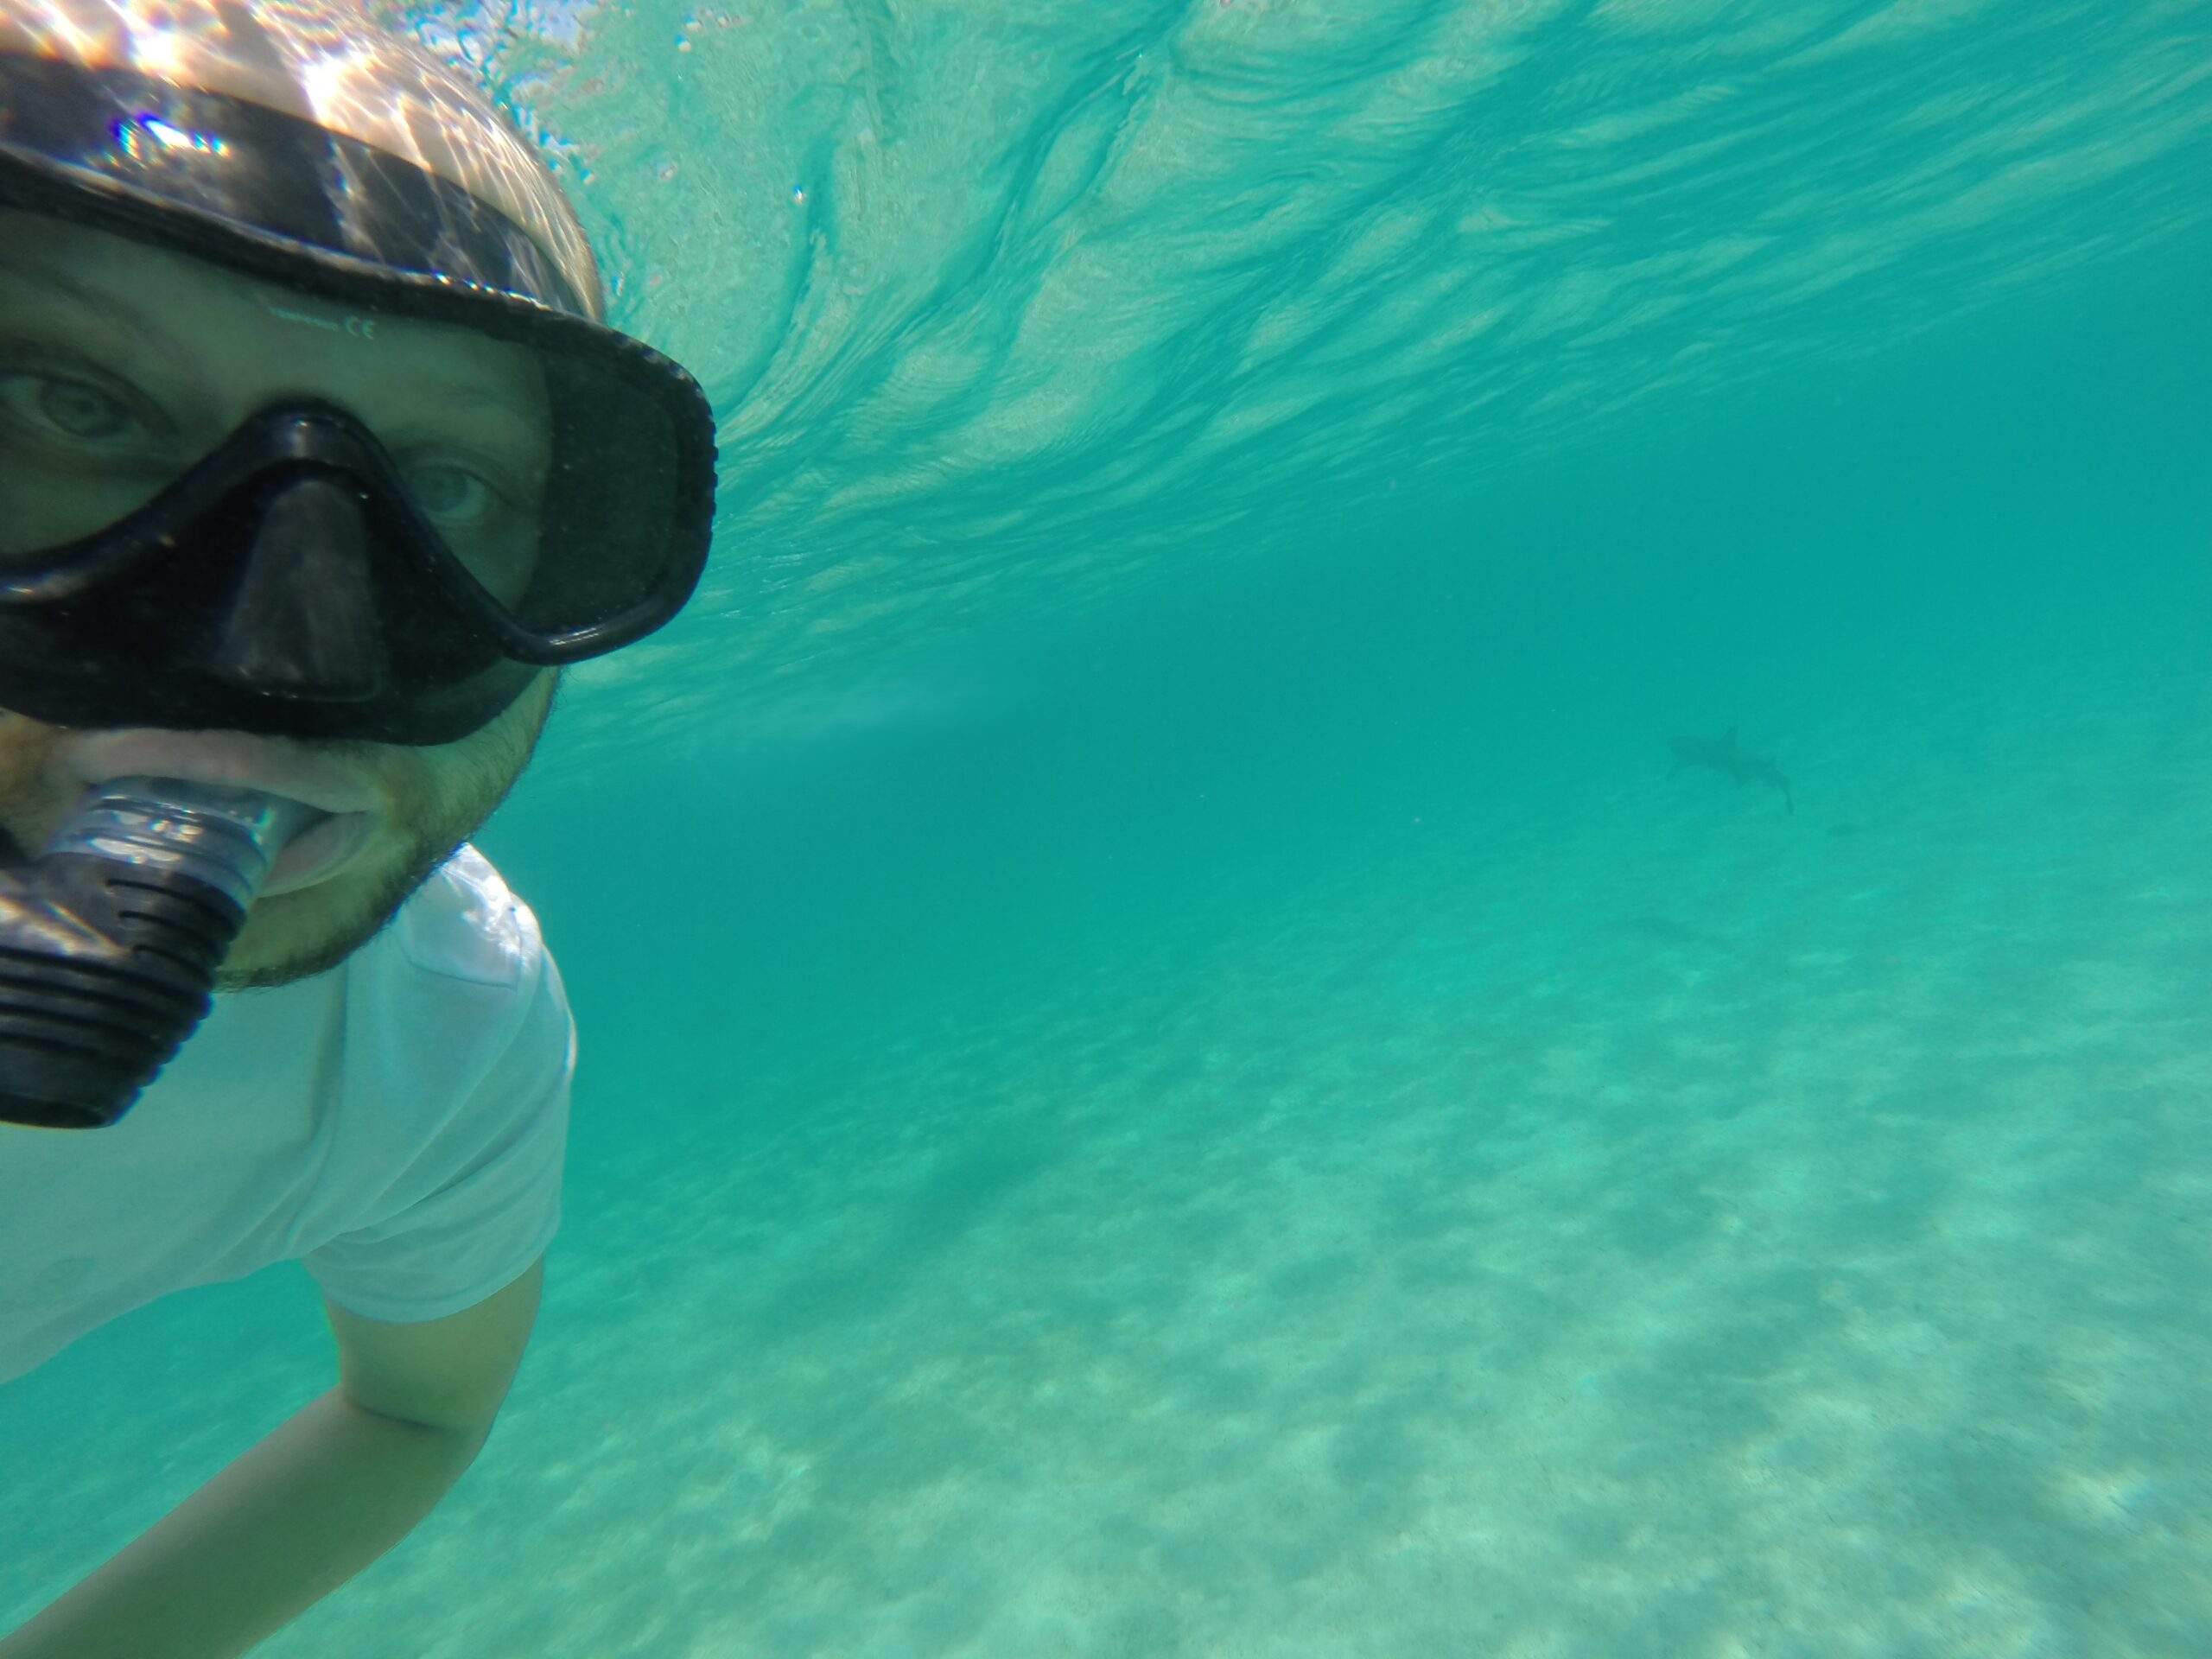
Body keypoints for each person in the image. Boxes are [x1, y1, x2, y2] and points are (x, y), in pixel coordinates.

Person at [0, 1, 716, 1654]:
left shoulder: (435, 1029)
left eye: (450, 488)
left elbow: (416, 1416)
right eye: (71, 402)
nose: (284, 665)